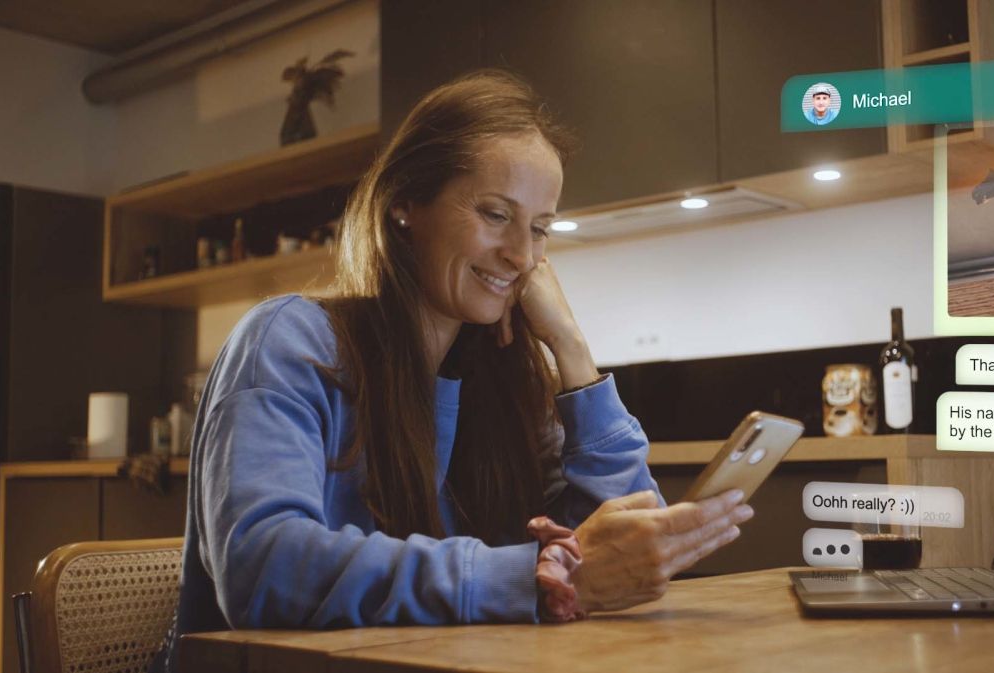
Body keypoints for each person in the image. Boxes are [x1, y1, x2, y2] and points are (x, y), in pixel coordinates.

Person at [153, 69, 753, 671]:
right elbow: (261, 567)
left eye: (539, 229)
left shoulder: (503, 382)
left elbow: (619, 553)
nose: (521, 255)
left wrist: (570, 348)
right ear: (405, 205)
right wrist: (531, 576)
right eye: (495, 214)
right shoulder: (290, 339)